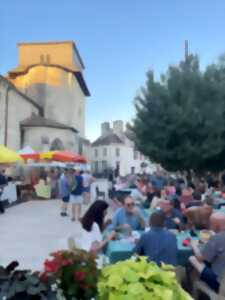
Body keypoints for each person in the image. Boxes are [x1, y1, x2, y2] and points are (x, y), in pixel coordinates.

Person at [189, 212, 225, 292]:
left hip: (219, 283)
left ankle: (192, 287)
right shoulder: (217, 238)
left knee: (192, 258)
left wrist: (193, 244)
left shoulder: (217, 238)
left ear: (216, 226)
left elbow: (200, 258)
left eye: (211, 223)